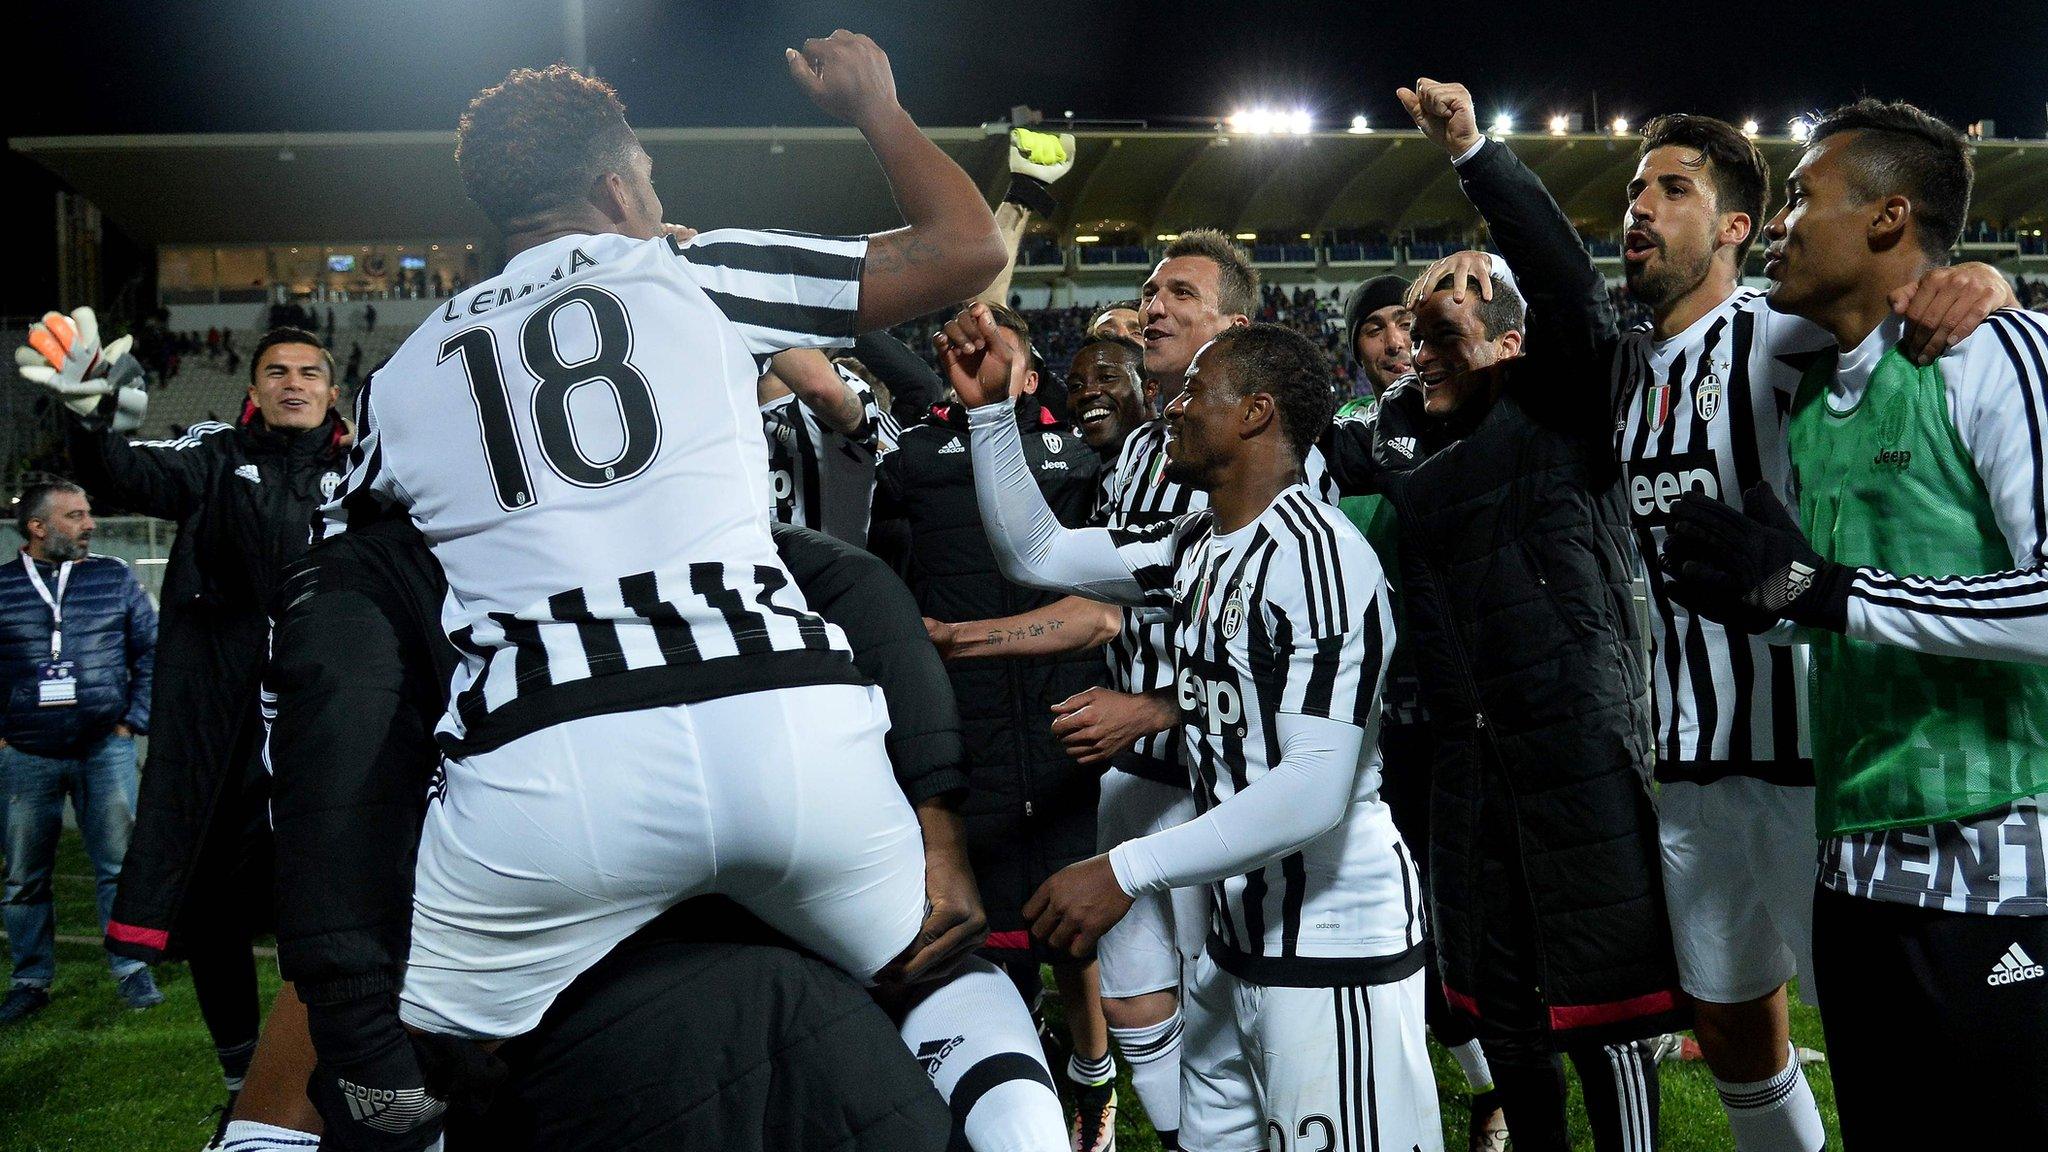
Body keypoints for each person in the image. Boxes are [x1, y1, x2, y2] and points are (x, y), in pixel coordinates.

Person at [313, 38, 1068, 1152]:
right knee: (932, 962)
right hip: (786, 732)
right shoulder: (696, 270)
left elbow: (352, 564)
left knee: (400, 1062)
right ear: (618, 190)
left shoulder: (403, 374)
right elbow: (961, 251)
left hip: (554, 771)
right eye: (650, 183)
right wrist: (877, 108)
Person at [1429, 84, 2016, 1151]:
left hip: (1810, 758)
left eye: (1672, 189)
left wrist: (1978, 279)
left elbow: (1902, 320)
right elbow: (1557, 304)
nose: (1638, 210)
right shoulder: (1622, 373)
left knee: (1880, 1027)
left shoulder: (1774, 336)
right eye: (1632, 191)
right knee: (1735, 1033)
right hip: (1688, 765)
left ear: (1736, 228)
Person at [945, 308, 1442, 1152]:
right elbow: (1036, 554)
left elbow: (1314, 792)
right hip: (1235, 931)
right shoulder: (1196, 544)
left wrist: (1124, 870)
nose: (1172, 406)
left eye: (1197, 393)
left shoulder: (1318, 560)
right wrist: (992, 412)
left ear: (1256, 414)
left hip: (1329, 941)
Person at [1661, 98, 2048, 1147]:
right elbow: (1859, 602)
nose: (1780, 223)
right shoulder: (1815, 405)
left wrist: (1817, 591)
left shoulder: (1991, 353)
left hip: (1994, 855)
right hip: (1853, 859)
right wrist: (1773, 609)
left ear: (1887, 219)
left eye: (1800, 198)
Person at [1318, 80, 1693, 1152]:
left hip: (1574, 763)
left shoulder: (1558, 413)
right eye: (1413, 336)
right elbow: (1315, 423)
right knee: (1514, 1039)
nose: (1418, 351)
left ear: (1511, 343)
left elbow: (1568, 299)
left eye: (1445, 329)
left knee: (1607, 1032)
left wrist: (1474, 155)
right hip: (1463, 777)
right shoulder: (1411, 441)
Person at [18, 312, 350, 1130]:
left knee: (346, 905)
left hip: (330, 726)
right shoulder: (214, 455)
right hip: (225, 735)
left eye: (309, 372)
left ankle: (339, 1070)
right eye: (278, 372)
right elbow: (126, 474)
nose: (294, 383)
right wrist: (93, 418)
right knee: (213, 909)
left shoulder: (367, 473)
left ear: (332, 391)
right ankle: (243, 1081)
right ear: (254, 391)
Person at [873, 303, 1115, 1151]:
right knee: (992, 936)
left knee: (1074, 925)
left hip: (1065, 722)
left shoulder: (1087, 451)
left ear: (1029, 365)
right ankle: (1023, 1081)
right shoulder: (908, 455)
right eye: (963, 348)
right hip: (966, 729)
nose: (975, 353)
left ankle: (1094, 1076)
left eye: (995, 345)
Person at [0, 480, 160, 1024]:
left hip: (104, 748)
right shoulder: (2, 587)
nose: (89, 523)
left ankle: (131, 968)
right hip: (25, 752)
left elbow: (152, 651)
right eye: (74, 516)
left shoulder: (113, 576)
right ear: (37, 527)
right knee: (24, 876)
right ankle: (29, 979)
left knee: (118, 865)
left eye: (89, 512)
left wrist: (132, 721)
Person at [758, 346, 897, 549]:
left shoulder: (849, 386)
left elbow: (821, 391)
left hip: (823, 573)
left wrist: (762, 334)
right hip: (750, 572)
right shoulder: (728, 402)